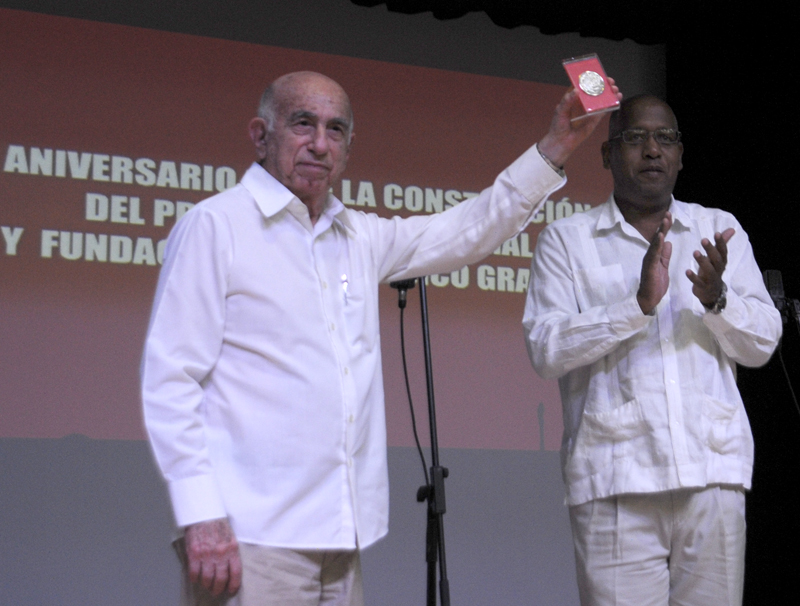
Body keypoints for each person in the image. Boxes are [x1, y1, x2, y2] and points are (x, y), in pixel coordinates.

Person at [141, 70, 618, 605]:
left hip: (341, 540)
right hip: (249, 537)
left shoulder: (358, 237)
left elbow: (471, 228)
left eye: (336, 130)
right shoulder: (216, 226)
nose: (319, 143)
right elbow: (170, 381)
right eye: (302, 124)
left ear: (348, 148)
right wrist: (200, 514)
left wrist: (555, 147)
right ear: (260, 135)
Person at [523, 94, 782, 606]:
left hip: (712, 475)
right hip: (616, 481)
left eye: (665, 138)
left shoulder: (717, 229)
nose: (652, 150)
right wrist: (635, 306)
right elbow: (545, 349)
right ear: (607, 154)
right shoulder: (566, 240)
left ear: (681, 155)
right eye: (635, 137)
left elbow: (762, 345)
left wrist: (718, 299)